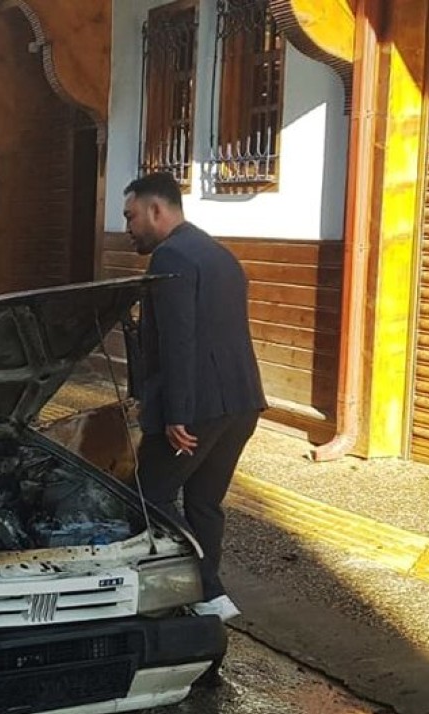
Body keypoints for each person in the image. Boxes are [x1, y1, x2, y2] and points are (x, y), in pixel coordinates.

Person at [121, 171, 267, 622]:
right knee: (204, 503)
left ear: (156, 210)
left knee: (147, 496)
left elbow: (179, 340)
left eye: (130, 216)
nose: (128, 227)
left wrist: (176, 414)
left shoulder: (171, 257)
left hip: (198, 410)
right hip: (242, 403)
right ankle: (205, 601)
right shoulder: (218, 253)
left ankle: (208, 588)